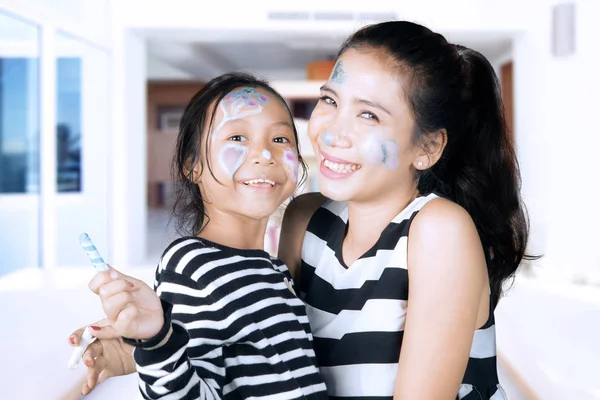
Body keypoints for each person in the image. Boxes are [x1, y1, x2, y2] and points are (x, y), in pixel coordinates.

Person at [70, 21, 535, 400]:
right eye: (330, 102)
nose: (331, 131)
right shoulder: (307, 219)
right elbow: (257, 340)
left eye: (368, 115)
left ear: (428, 147)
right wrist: (138, 346)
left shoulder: (438, 230)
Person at [73, 72, 328, 399]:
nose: (265, 154)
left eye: (280, 139)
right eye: (237, 138)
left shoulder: (272, 267)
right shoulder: (193, 265)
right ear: (192, 165)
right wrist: (156, 341)